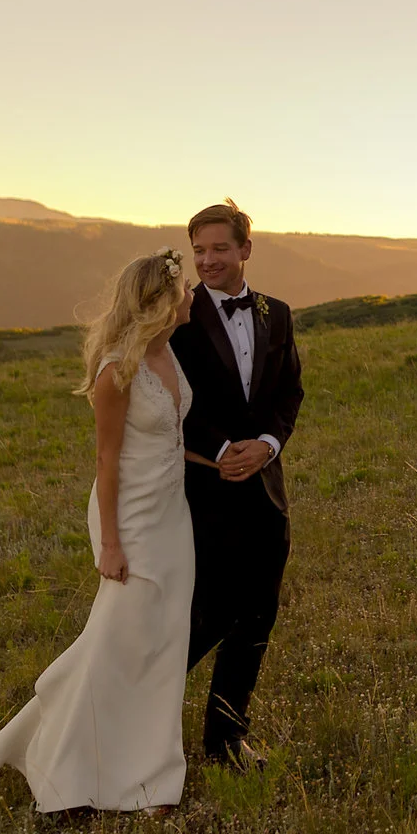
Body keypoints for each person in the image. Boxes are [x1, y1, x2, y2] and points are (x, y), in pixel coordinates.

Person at [0, 251, 203, 812]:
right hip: (129, 520)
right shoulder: (116, 370)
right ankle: (65, 766)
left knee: (165, 641)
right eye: (186, 288)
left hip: (174, 517)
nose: (194, 296)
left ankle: (152, 772)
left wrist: (215, 462)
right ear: (162, 301)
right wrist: (110, 542)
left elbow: (169, 436)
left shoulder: (171, 353)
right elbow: (107, 461)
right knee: (118, 639)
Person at [170, 201, 304, 769]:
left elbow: (288, 394)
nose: (207, 261)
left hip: (266, 493)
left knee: (257, 616)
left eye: (220, 249)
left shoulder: (278, 313)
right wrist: (224, 450)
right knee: (208, 614)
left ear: (246, 249)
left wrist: (268, 445)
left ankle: (226, 740)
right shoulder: (175, 316)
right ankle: (132, 708)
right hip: (205, 490)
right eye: (199, 251)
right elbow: (169, 397)